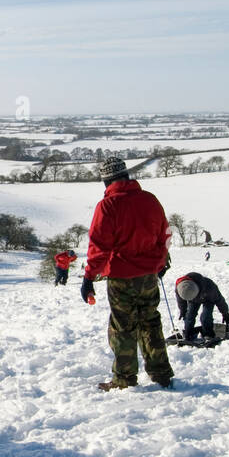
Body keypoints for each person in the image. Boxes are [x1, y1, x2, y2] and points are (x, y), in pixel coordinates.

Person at [80, 158, 174, 391]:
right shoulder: (150, 200)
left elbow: (98, 247)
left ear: (106, 180)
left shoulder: (108, 205)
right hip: (149, 275)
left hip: (121, 276)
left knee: (122, 326)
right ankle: (161, 373)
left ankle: (124, 378)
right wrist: (161, 260)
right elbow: (164, 234)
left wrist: (89, 277)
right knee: (150, 321)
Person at [174, 272, 229, 346]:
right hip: (193, 300)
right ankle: (188, 334)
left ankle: (208, 335)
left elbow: (219, 300)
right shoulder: (180, 287)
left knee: (205, 317)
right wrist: (183, 311)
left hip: (208, 299)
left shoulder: (210, 288)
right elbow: (181, 301)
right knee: (189, 316)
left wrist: (225, 314)